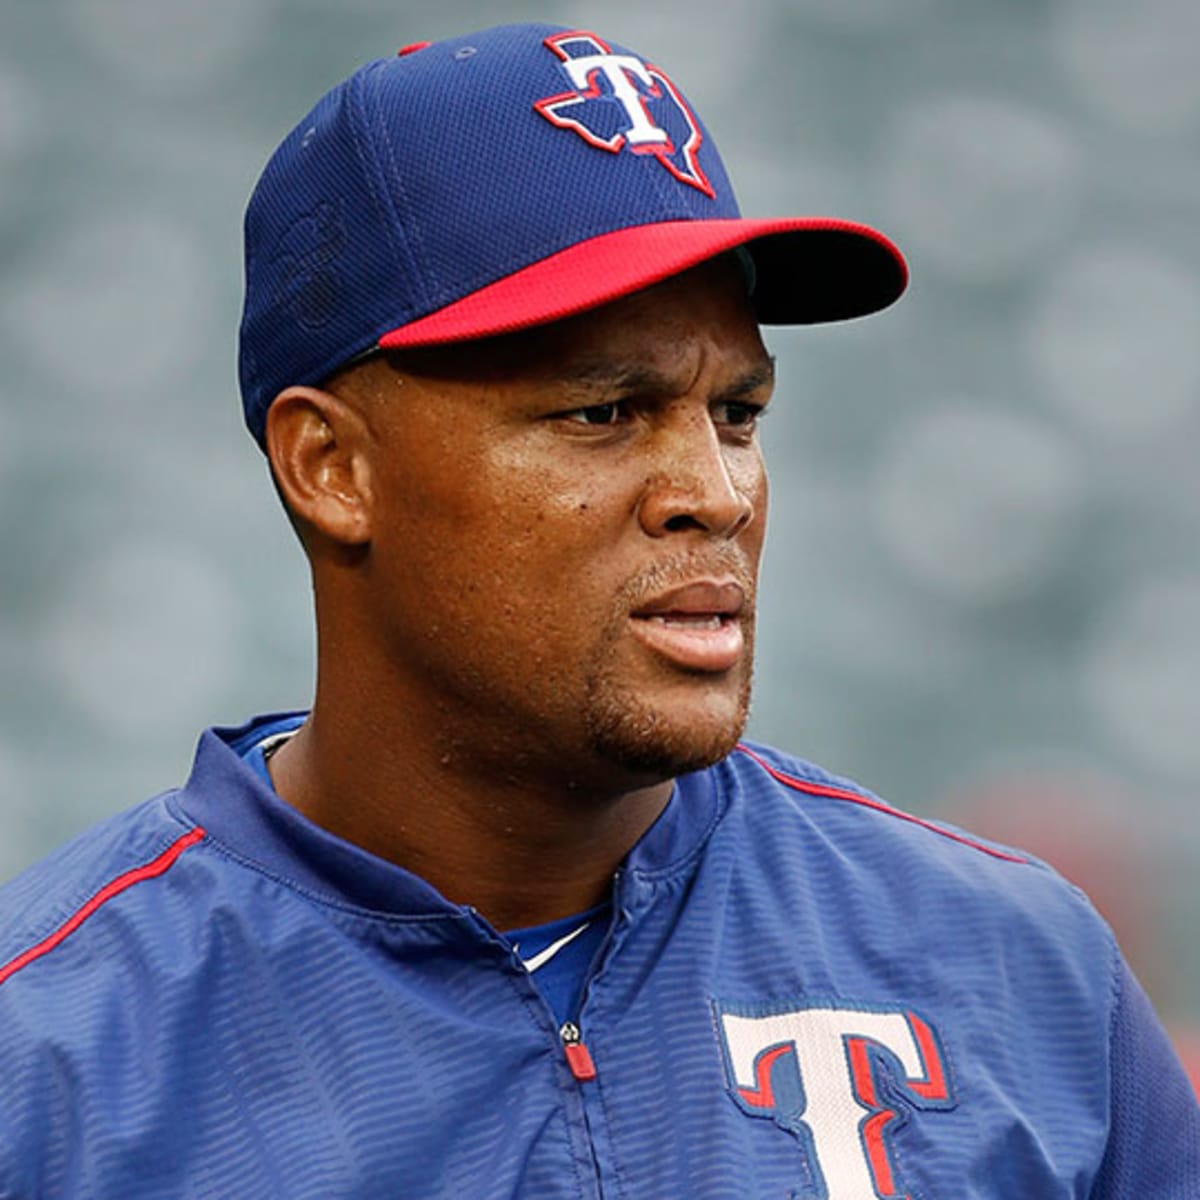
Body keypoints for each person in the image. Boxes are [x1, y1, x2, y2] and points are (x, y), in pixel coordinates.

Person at [0, 21, 1196, 1198]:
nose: (715, 495)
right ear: (331, 467)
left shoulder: (1014, 968)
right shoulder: (51, 1054)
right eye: (603, 413)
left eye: (738, 413)